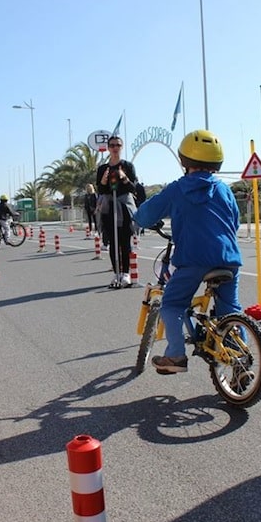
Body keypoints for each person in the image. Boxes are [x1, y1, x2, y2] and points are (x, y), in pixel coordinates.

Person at [133, 129, 242, 374]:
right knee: (231, 309)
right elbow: (235, 222)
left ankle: (175, 356)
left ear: (184, 160)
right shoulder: (225, 190)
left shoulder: (178, 189)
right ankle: (240, 362)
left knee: (171, 303)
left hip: (194, 259)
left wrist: (137, 217)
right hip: (229, 258)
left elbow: (147, 214)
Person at [96, 135, 137, 288]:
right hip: (109, 207)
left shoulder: (128, 166)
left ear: (121, 147)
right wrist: (104, 181)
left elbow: (133, 188)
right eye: (112, 145)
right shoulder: (103, 169)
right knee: (113, 241)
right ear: (108, 147)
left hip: (124, 206)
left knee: (125, 241)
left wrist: (124, 178)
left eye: (118, 145)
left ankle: (126, 273)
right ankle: (116, 273)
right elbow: (100, 190)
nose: (115, 148)